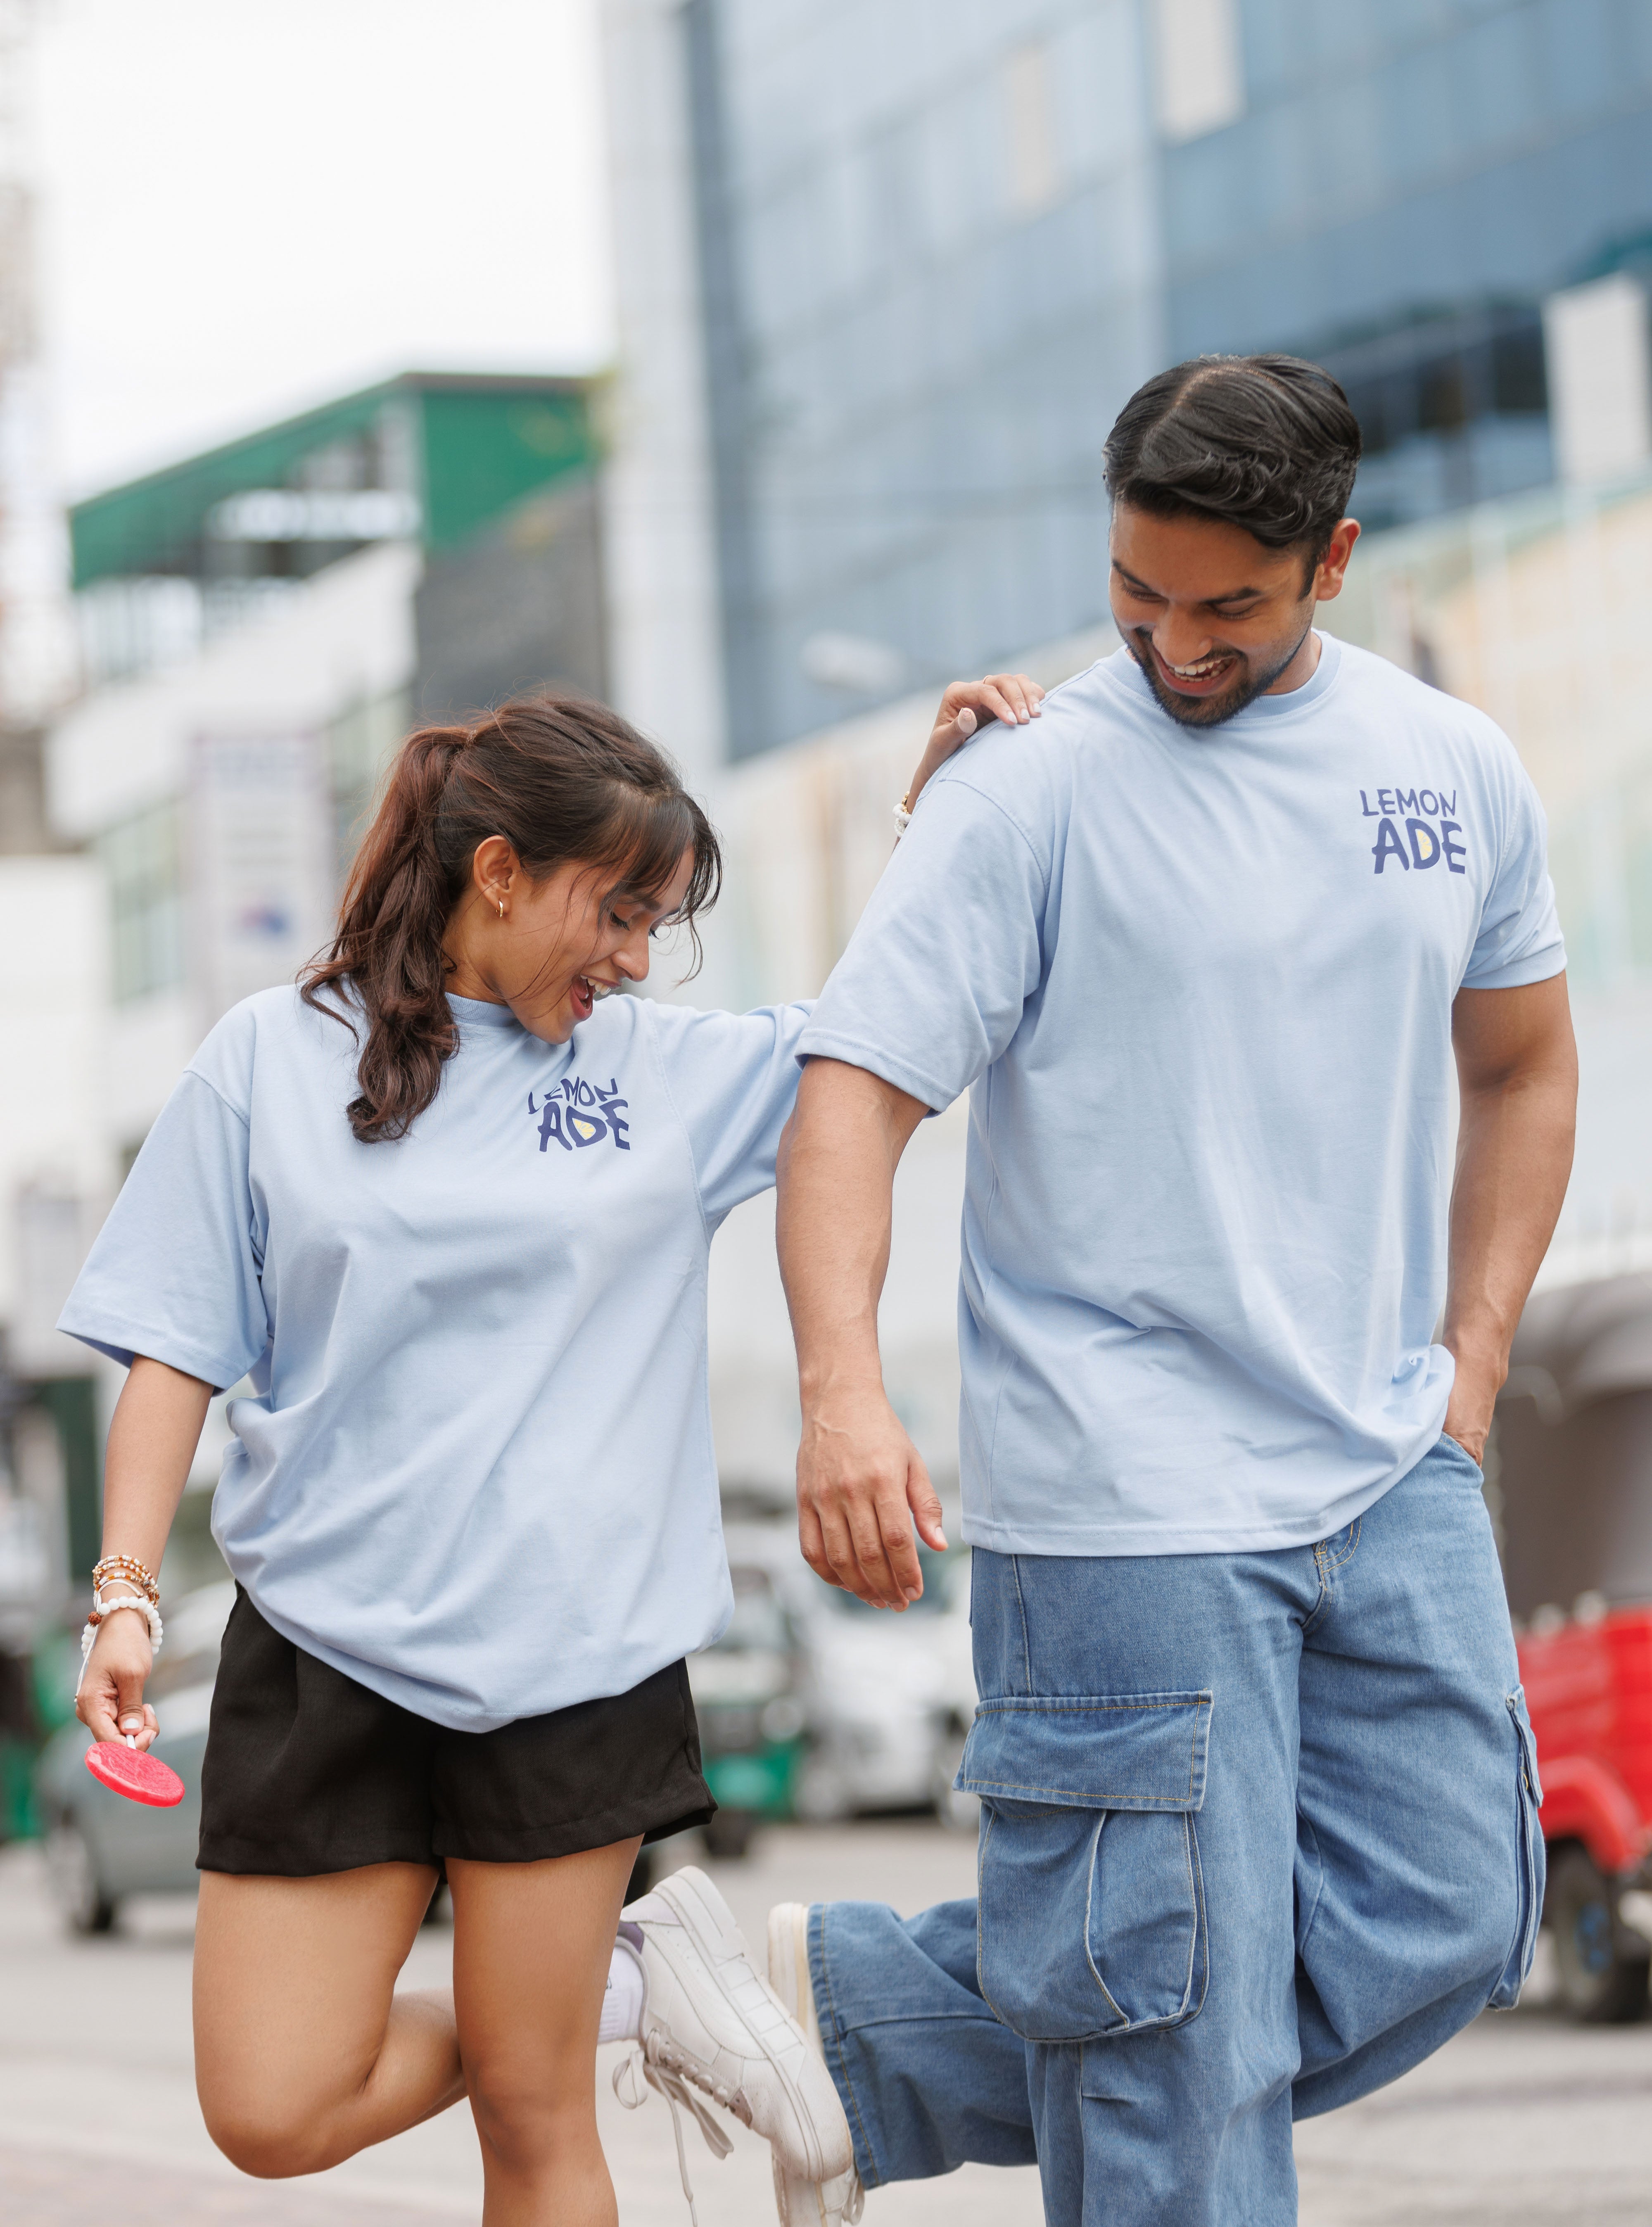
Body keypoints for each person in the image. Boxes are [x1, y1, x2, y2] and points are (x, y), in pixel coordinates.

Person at [749, 355, 1574, 2227]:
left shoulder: (1450, 771)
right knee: (1165, 2061)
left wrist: (1472, 1365)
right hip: (1121, 1507)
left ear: (1334, 560)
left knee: (1456, 1911)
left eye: (1226, 608)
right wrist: (840, 1393)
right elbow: (851, 1096)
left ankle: (861, 2023)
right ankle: (950, 2046)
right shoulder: (1026, 784)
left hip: (1385, 1462)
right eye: (1138, 595)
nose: (1170, 644)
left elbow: (1523, 1065)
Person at [60, 676, 1042, 2227]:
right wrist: (123, 1589)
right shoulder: (265, 1060)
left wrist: (933, 816)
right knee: (269, 2108)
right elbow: (173, 1346)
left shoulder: (665, 1072)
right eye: (619, 914)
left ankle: (575, 2019)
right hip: (327, 1653)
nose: (638, 962)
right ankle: (647, 2002)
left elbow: (878, 1029)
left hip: (573, 1660)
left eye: (661, 929)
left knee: (537, 2122)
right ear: (498, 872)